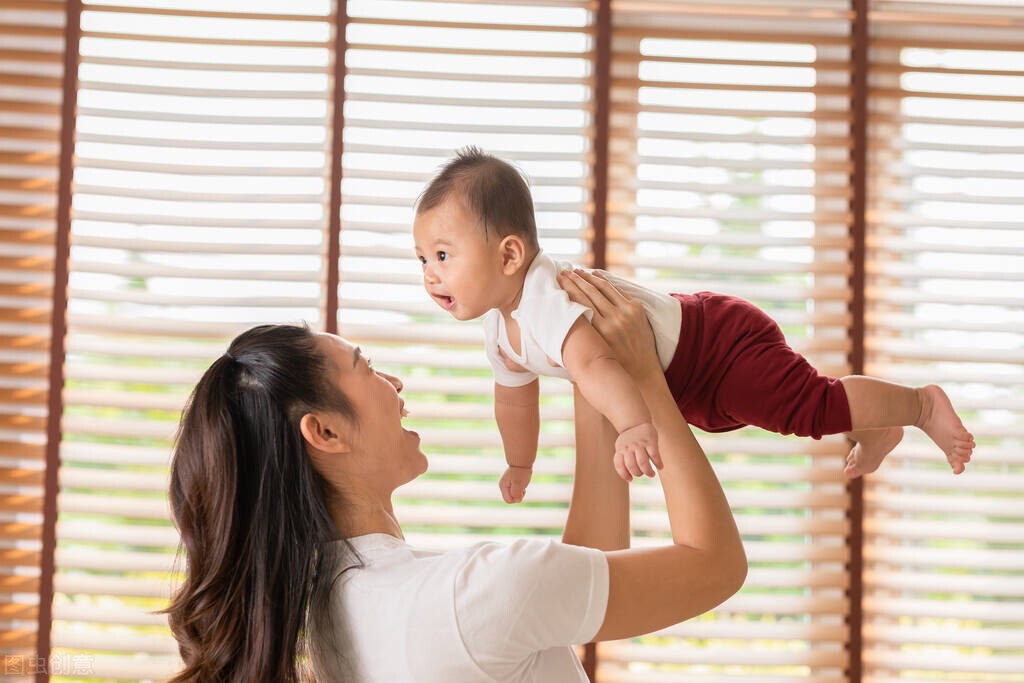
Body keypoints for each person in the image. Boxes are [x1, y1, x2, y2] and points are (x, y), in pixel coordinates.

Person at [164, 274, 747, 682]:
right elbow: (714, 565)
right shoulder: (475, 591)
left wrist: (590, 373)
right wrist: (645, 377)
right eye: (365, 368)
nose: (393, 384)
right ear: (325, 434)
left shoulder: (323, 612)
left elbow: (571, 579)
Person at [412, 147, 975, 502]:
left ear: (510, 256)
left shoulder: (541, 297)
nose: (430, 275)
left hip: (715, 346)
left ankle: (920, 405)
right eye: (421, 260)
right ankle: (871, 427)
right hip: (685, 379)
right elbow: (514, 400)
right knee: (795, 410)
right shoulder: (500, 330)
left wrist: (633, 426)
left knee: (804, 408)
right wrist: (520, 460)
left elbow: (594, 363)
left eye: (443, 256)